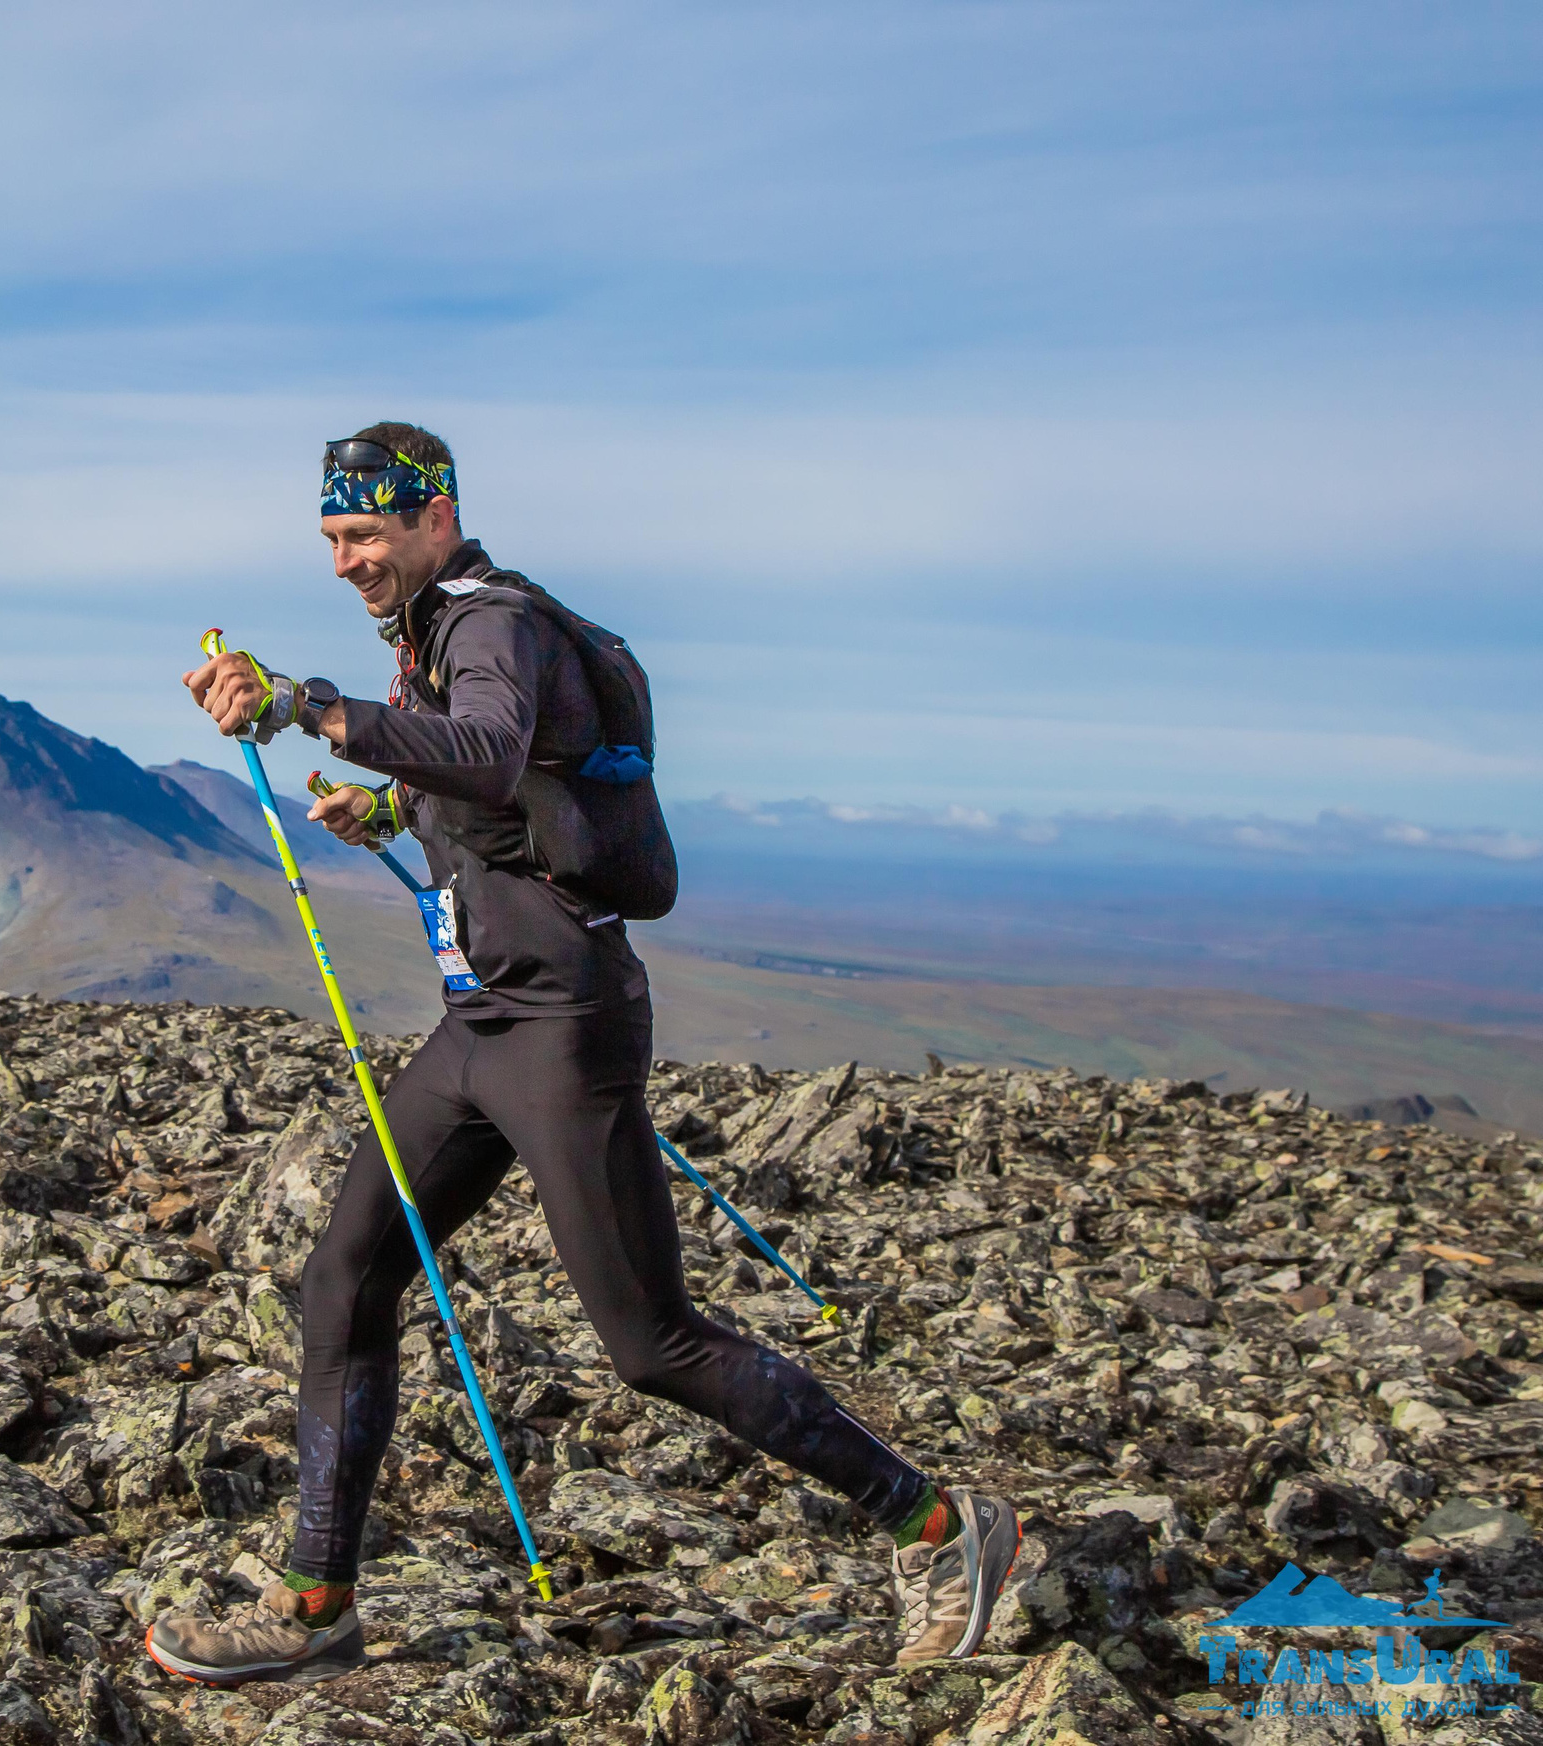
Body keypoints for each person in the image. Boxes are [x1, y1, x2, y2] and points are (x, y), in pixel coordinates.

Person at [144, 422, 1021, 1685]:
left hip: (561, 1026)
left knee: (650, 1345)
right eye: (331, 537)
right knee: (343, 1282)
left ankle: (944, 1528)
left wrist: (305, 706)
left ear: (435, 515)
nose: (344, 560)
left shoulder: (489, 622)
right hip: (478, 1024)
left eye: (366, 534)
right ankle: (316, 1604)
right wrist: (389, 803)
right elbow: (499, 783)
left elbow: (495, 746)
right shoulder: (434, 635)